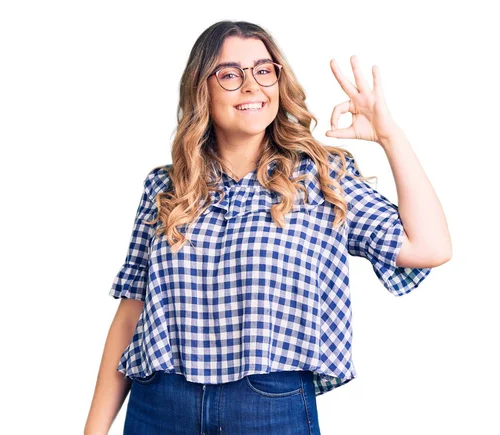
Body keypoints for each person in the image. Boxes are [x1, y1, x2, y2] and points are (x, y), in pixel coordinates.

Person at [84, 20, 451, 435]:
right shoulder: (166, 188)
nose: (251, 85)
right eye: (229, 74)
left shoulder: (321, 179)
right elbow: (130, 315)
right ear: (201, 89)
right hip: (160, 403)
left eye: (263, 70)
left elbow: (429, 246)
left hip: (269, 407)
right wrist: (93, 431)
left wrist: (388, 134)